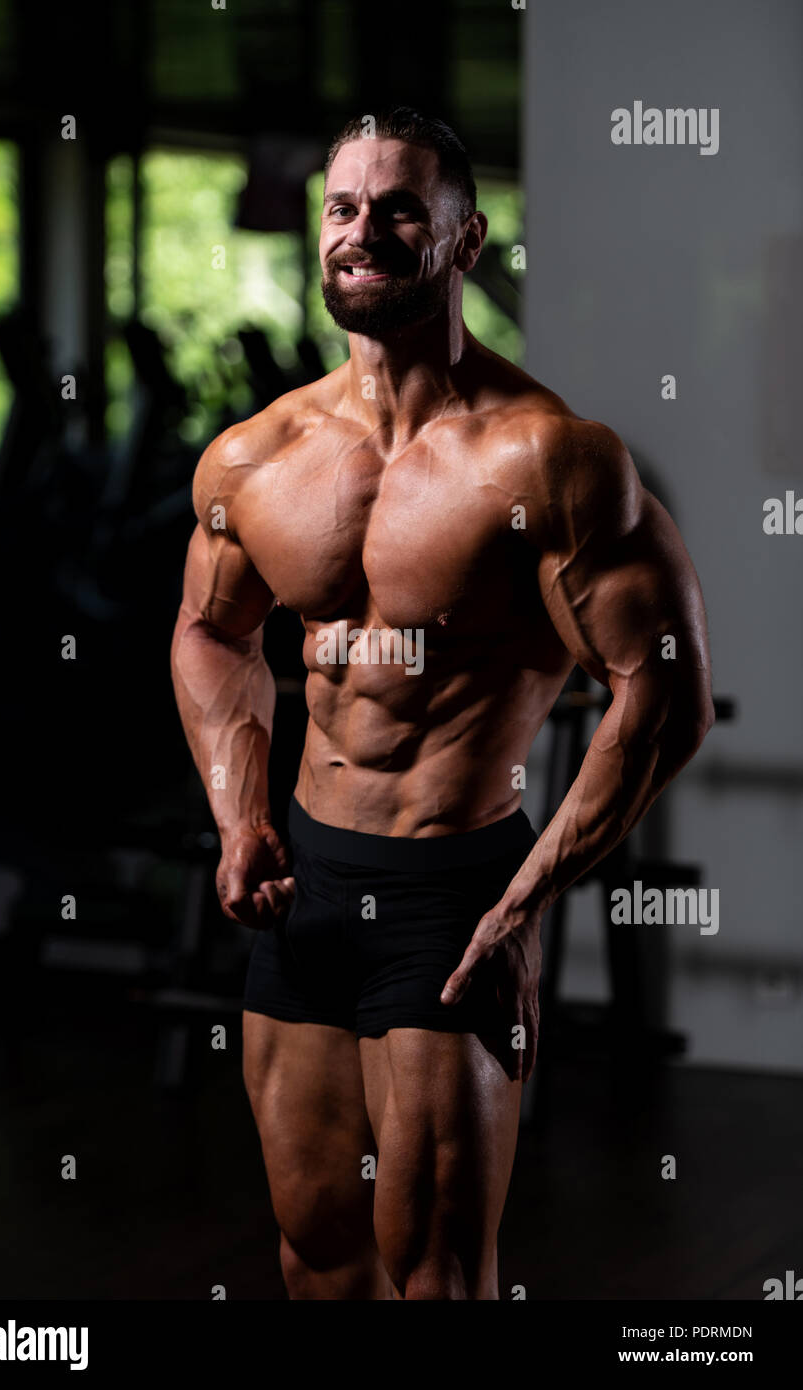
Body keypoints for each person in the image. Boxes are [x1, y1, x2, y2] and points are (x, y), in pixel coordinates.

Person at [170, 107, 714, 1300]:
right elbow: (212, 633)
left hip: (451, 902)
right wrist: (238, 814)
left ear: (465, 242)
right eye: (342, 207)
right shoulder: (255, 458)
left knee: (435, 1275)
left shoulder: (551, 461)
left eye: (399, 208)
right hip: (302, 888)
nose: (361, 232)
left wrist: (525, 904)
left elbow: (662, 697)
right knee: (316, 1255)